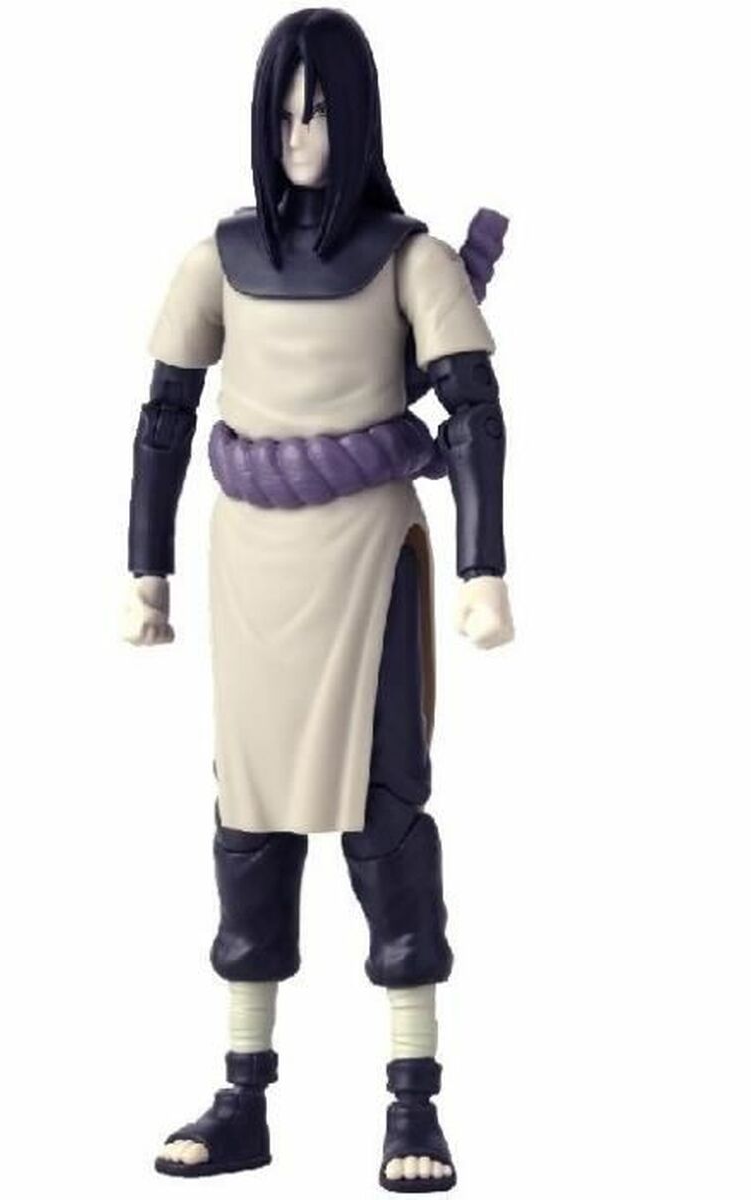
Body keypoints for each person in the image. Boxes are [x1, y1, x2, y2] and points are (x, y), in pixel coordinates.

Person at [122, 9, 513, 1192]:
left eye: (322, 110)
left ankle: (413, 1099)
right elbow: (165, 416)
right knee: (248, 818)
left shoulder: (413, 262)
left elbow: (475, 414)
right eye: (284, 112)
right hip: (252, 565)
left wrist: (483, 569)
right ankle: (243, 1094)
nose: (300, 133)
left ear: (360, 117)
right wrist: (146, 569)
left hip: (365, 559)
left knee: (385, 811)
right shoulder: (218, 258)